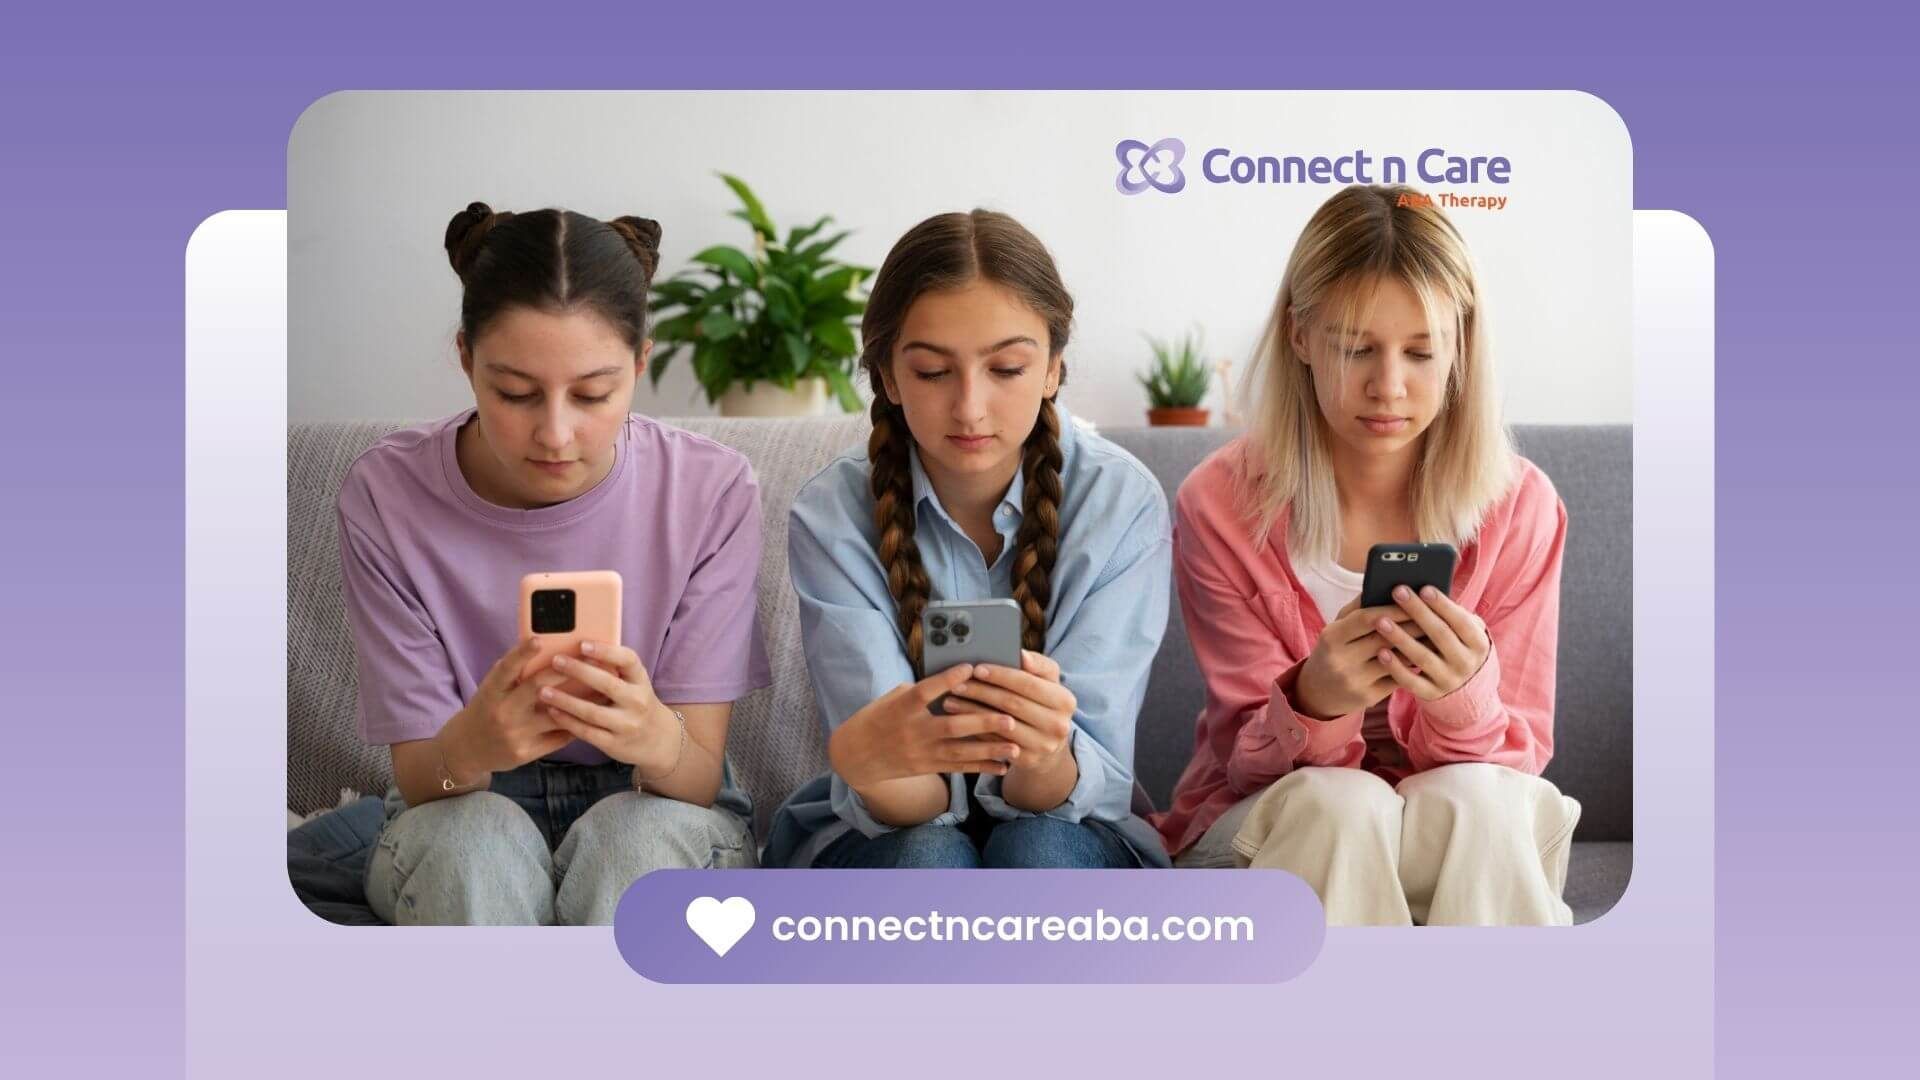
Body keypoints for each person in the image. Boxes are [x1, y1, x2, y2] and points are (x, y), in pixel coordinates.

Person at [1155, 185, 1580, 925]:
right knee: (1342, 804)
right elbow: (1241, 761)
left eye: (1420, 352)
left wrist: (1463, 694)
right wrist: (1315, 700)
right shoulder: (1218, 504)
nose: (1388, 387)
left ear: (1460, 348)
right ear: (1299, 337)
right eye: (1356, 349)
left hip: (1459, 822)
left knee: (1478, 800)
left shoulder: (1520, 507)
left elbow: (1521, 754)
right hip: (1284, 820)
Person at [339, 202, 770, 925]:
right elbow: (423, 780)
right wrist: (472, 743)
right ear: (466, 359)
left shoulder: (711, 490)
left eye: (595, 394)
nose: (556, 433)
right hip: (462, 804)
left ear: (640, 364)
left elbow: (694, 779)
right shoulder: (387, 496)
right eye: (515, 393)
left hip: (654, 799)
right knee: (473, 848)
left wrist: (655, 736)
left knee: (634, 848)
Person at [763, 209, 1171, 870]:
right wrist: (873, 761)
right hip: (895, 828)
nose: (970, 408)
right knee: (926, 856)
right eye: (932, 373)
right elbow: (910, 806)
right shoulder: (832, 511)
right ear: (889, 377)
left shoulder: (1121, 503)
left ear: (1052, 371)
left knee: (1037, 846)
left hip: (1066, 825)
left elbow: (1075, 793)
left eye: (1007, 368)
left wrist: (1041, 753)